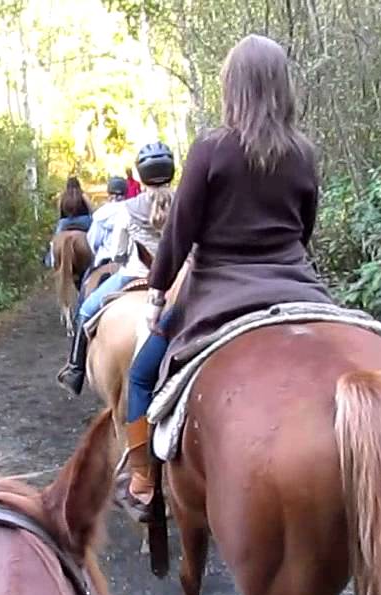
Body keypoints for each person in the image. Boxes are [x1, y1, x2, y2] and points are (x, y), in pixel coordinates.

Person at [118, 34, 334, 520]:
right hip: (296, 284)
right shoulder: (303, 152)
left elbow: (180, 230)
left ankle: (142, 481)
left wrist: (157, 294)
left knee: (140, 373)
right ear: (282, 87)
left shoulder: (212, 148)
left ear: (233, 87)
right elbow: (305, 229)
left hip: (219, 288)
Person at [56, 143, 176, 396]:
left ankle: (75, 370)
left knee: (86, 310)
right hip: (179, 280)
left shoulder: (127, 210)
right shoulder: (187, 202)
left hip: (134, 274)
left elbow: (120, 252)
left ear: (142, 176)